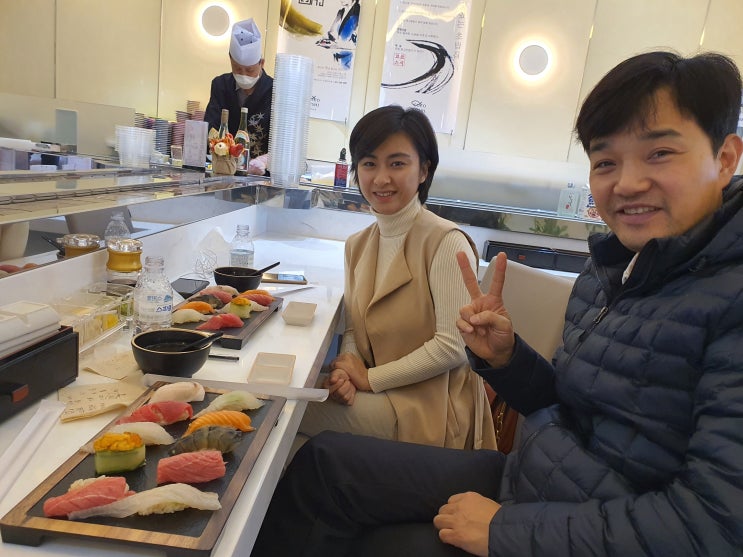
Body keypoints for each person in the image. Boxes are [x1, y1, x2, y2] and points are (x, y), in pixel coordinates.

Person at [251, 50, 743, 556]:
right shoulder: (611, 272)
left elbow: (716, 527)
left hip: (566, 511)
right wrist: (507, 360)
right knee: (324, 465)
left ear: (725, 158)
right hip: (536, 476)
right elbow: (570, 402)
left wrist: (506, 530)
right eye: (606, 162)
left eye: (659, 153)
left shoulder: (727, 297)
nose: (628, 182)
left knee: (367, 525)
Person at [294, 105, 496, 453]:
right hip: (381, 393)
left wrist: (369, 378)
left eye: (397, 163)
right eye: (369, 163)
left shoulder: (446, 242)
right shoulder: (357, 245)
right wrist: (345, 373)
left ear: (424, 170)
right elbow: (354, 328)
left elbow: (453, 346)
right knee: (290, 418)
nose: (381, 178)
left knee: (287, 411)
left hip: (430, 408)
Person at [204, 18, 272, 174]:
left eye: (250, 70)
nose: (243, 75)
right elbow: (210, 127)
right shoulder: (220, 85)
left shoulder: (274, 91)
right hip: (224, 170)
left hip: (260, 175)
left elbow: (282, 142)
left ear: (261, 63)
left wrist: (265, 160)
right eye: (237, 69)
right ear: (230, 59)